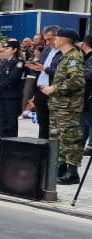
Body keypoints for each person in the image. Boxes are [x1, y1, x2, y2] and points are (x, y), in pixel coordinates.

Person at [41, 28, 85, 185]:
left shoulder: (74, 57)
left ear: (65, 39)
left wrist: (54, 88)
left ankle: (72, 173)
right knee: (57, 137)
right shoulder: (64, 56)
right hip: (58, 105)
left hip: (69, 106)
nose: (55, 40)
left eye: (57, 37)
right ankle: (59, 168)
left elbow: (77, 80)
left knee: (70, 138)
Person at [27, 25, 60, 139]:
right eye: (45, 39)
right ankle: (42, 149)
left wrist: (44, 69)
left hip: (53, 90)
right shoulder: (46, 49)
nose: (47, 42)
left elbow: (62, 73)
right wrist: (35, 67)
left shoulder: (65, 52)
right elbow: (42, 67)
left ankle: (53, 152)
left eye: (50, 39)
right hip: (40, 90)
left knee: (54, 125)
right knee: (42, 123)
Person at [0, 40, 24, 146]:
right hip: (1, 94)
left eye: (7, 48)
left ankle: (12, 141)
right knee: (3, 118)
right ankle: (3, 139)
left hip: (12, 95)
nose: (4, 50)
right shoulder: (5, 61)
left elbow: (12, 79)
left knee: (11, 119)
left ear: (14, 50)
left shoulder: (19, 62)